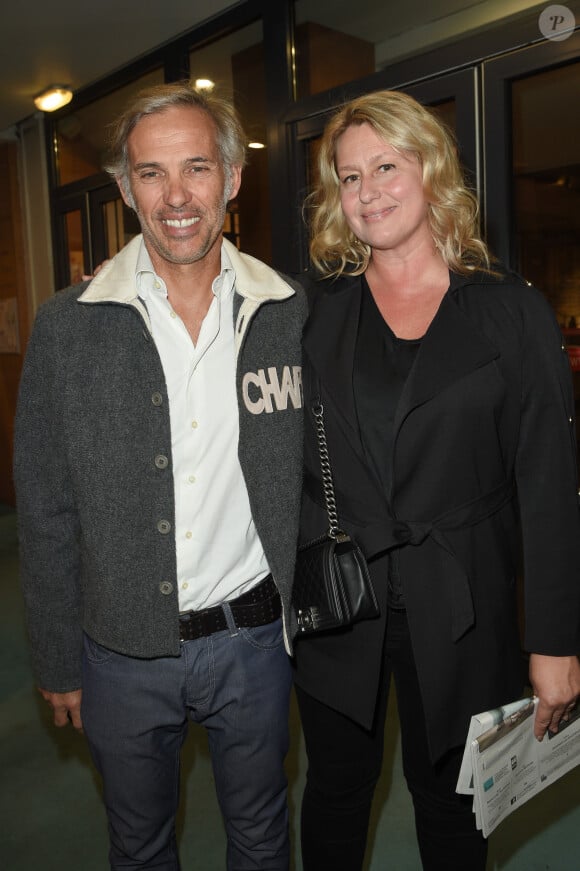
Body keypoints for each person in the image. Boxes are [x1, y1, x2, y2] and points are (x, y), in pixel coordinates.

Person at [14, 81, 307, 871]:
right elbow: (44, 508)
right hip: (120, 654)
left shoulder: (288, 312)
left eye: (197, 168)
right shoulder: (66, 327)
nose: (177, 196)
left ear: (233, 178)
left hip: (254, 640)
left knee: (262, 834)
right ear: (124, 188)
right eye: (151, 173)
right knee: (138, 847)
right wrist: (55, 659)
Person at [292, 89, 580, 870]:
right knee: (337, 792)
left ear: (430, 170)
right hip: (341, 600)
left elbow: (550, 486)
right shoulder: (316, 314)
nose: (367, 191)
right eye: (348, 178)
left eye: (385, 166)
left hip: (464, 603)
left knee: (454, 805)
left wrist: (556, 641)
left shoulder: (510, 313)